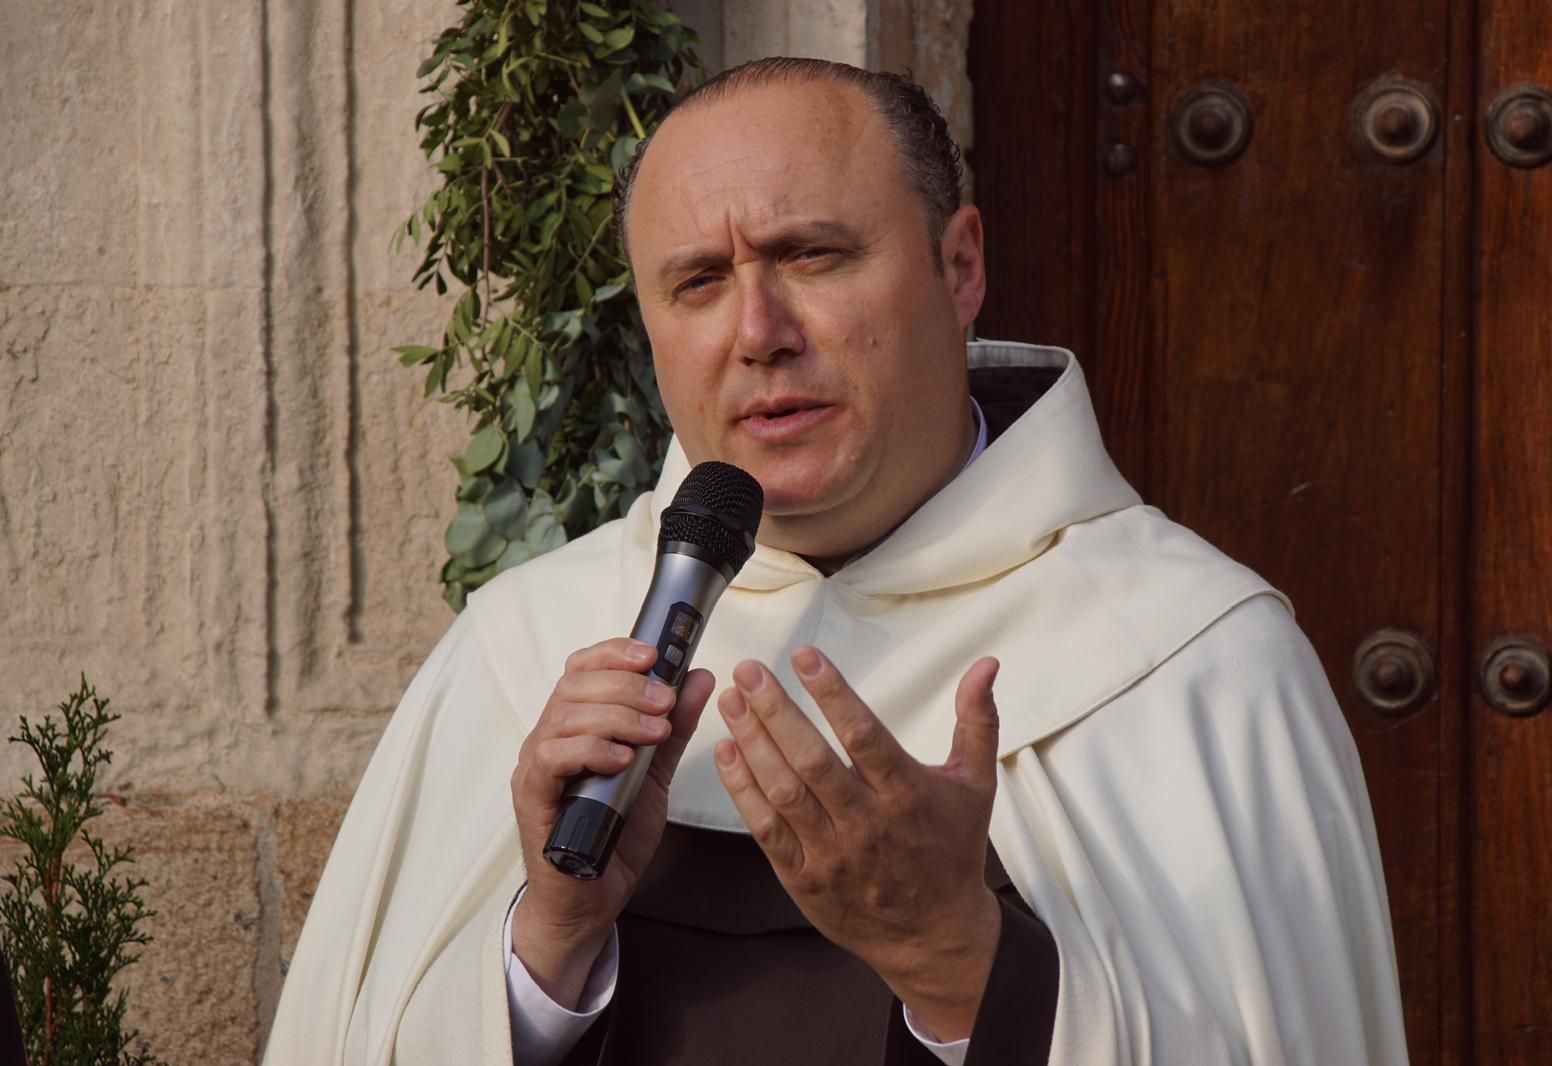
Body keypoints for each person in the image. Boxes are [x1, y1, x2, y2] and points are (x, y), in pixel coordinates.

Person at [263, 58, 1409, 1065]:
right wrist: (549, 945)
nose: (759, 328)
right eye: (698, 282)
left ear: (959, 268)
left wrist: (955, 960)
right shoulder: (525, 651)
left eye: (811, 254)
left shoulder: (1186, 657)